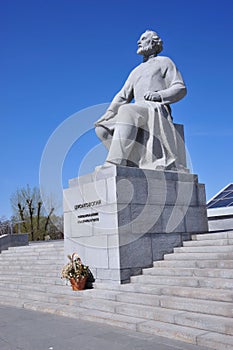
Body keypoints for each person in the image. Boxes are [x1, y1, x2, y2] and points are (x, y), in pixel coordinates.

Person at [95, 29, 187, 170]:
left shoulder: (164, 62)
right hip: (137, 110)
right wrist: (108, 113)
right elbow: (122, 95)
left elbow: (180, 88)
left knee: (126, 110)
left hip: (154, 108)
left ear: (153, 42)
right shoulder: (136, 71)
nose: (139, 42)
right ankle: (130, 162)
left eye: (143, 39)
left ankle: (114, 162)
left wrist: (160, 95)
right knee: (102, 128)